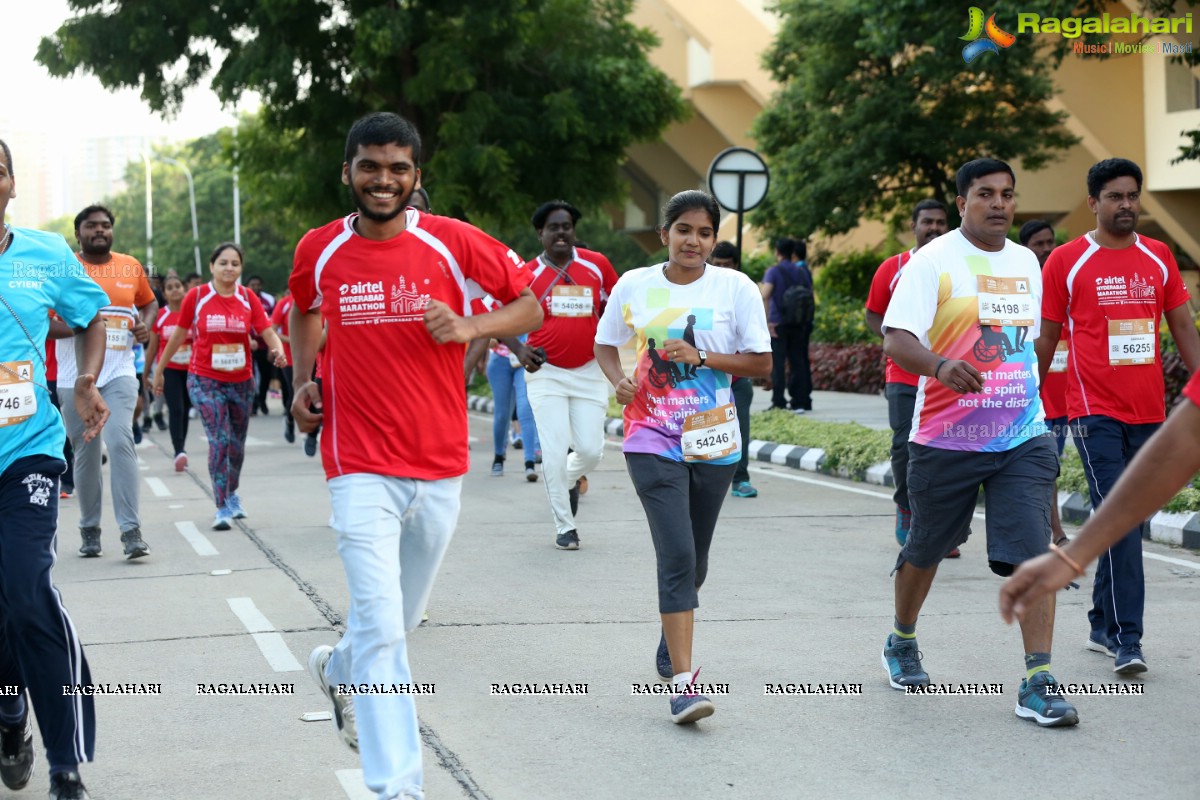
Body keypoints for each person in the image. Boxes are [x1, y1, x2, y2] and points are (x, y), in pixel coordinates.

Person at [289, 112, 541, 800]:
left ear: (416, 178)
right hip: (356, 461)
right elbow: (304, 310)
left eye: (398, 168)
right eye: (370, 166)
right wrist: (303, 379)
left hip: (437, 462)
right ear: (347, 172)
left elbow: (529, 307)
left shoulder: (453, 242)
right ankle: (397, 787)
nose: (383, 180)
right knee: (380, 622)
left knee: (391, 622)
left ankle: (339, 669)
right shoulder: (321, 248)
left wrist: (471, 324)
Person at [880, 158, 1078, 727]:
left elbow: (1028, 340)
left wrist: (1030, 394)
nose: (999, 204)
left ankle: (1037, 679)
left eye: (1007, 195)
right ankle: (902, 638)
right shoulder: (932, 260)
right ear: (962, 201)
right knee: (925, 548)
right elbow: (897, 339)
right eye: (986, 194)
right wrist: (941, 366)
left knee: (1036, 552)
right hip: (947, 437)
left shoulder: (1026, 263)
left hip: (1022, 433)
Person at [595, 191, 771, 724]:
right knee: (675, 556)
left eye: (704, 232)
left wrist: (703, 356)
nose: (693, 241)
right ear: (663, 234)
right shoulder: (635, 285)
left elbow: (761, 364)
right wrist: (618, 380)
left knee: (695, 561)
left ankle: (672, 638)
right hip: (651, 435)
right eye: (683, 230)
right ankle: (685, 684)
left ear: (713, 240)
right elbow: (606, 344)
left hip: (714, 440)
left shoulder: (735, 287)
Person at [1036, 158, 1200, 675]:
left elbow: (1183, 329)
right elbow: (1045, 336)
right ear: (1093, 203)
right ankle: (1129, 639)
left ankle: (1101, 624)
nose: (1126, 204)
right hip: (1092, 413)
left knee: (1125, 519)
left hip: (1150, 412)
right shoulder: (1066, 260)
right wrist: (1027, 400)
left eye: (1132, 195)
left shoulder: (1158, 256)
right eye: (1115, 196)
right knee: (1122, 519)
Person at [0, 137, 111, 800]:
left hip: (27, 452)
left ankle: (66, 763)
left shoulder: (44, 254)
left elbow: (91, 316)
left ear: (11, 184)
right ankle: (10, 712)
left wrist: (87, 379)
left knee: (27, 588)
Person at [1001, 370, 1200, 622]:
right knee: (1051, 469)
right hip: (1075, 409)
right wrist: (1069, 555)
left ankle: (1103, 621)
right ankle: (1121, 633)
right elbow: (1183, 443)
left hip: (1128, 410)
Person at [503, 200, 618, 550]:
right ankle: (564, 527)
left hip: (588, 370)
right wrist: (520, 351)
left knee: (590, 449)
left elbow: (618, 304)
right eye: (553, 227)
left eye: (566, 226)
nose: (561, 233)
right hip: (546, 372)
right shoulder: (526, 274)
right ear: (541, 234)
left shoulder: (596, 266)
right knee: (553, 451)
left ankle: (566, 479)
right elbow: (498, 315)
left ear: (573, 231)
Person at [153, 243, 287, 530]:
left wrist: (278, 350)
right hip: (205, 379)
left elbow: (266, 331)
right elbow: (177, 335)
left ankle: (233, 493)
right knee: (220, 440)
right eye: (223, 263)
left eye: (235, 264)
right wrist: (160, 369)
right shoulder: (198, 296)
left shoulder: (247, 298)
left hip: (240, 382)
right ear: (212, 266)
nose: (229, 268)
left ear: (240, 268)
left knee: (237, 446)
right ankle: (222, 504)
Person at [54, 204, 157, 560]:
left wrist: (143, 324)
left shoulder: (130, 266)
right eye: (91, 226)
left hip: (119, 372)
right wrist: (82, 326)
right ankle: (89, 527)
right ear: (78, 232)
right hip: (74, 376)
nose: (99, 230)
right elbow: (42, 318)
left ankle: (131, 531)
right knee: (86, 453)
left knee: (120, 439)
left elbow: (148, 304)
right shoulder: (63, 268)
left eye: (105, 225)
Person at [865, 199, 950, 548]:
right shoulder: (894, 267)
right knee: (905, 445)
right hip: (903, 374)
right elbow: (873, 314)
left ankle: (944, 525)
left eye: (940, 223)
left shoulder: (955, 266)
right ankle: (906, 507)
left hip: (947, 374)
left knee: (946, 448)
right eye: (927, 221)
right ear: (913, 226)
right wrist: (898, 342)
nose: (933, 228)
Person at [1019, 220, 1068, 548]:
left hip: (1064, 399)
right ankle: (1055, 532)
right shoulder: (1022, 286)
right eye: (1039, 243)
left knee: (1051, 467)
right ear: (1026, 248)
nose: (1047, 248)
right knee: (1043, 466)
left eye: (1050, 242)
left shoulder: (1066, 282)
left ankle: (1047, 530)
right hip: (1030, 398)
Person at [710, 240, 759, 498]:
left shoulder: (744, 293)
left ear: (736, 266)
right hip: (706, 378)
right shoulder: (701, 292)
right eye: (717, 265)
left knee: (739, 430)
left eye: (727, 265)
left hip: (738, 378)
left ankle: (741, 479)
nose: (722, 270)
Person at [143, 275, 193, 470]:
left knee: (186, 408)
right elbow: (152, 347)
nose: (175, 290)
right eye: (170, 288)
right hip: (169, 370)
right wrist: (147, 373)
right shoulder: (161, 316)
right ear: (164, 294)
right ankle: (179, 450)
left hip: (192, 369)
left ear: (184, 288)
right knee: (176, 408)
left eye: (178, 286)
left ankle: (182, 447)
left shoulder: (193, 314)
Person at [761, 237, 813, 412]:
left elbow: (765, 294)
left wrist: (766, 321)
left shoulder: (774, 271)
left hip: (778, 323)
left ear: (777, 251)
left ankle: (779, 401)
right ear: (792, 252)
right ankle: (799, 401)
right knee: (797, 361)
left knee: (778, 362)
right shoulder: (801, 272)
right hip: (798, 322)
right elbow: (809, 293)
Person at [484, 336, 540, 480]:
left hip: (524, 361)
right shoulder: (496, 312)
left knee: (525, 410)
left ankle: (529, 463)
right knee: (502, 414)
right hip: (500, 361)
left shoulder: (530, 312)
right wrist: (489, 339)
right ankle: (498, 457)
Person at [246, 274, 276, 416]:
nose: (256, 287)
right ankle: (253, 404)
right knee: (249, 375)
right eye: (253, 285)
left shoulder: (269, 300)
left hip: (264, 344)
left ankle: (262, 399)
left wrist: (273, 346)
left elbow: (274, 322)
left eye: (258, 284)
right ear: (248, 285)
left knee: (265, 375)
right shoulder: (241, 298)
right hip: (247, 344)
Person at [271, 289, 296, 442]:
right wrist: (291, 340)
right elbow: (271, 331)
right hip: (290, 357)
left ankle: (313, 432)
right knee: (295, 392)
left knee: (317, 393)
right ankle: (290, 422)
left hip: (316, 356)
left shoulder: (320, 301)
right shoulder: (285, 303)